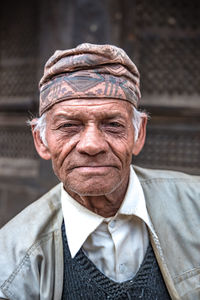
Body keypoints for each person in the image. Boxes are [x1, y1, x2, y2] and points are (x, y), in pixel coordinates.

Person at [0, 43, 199, 300]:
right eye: (69, 126)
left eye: (113, 125)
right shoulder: (11, 263)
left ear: (139, 134)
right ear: (41, 141)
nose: (92, 145)